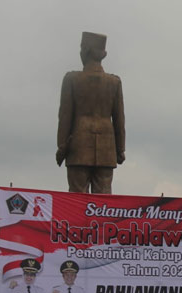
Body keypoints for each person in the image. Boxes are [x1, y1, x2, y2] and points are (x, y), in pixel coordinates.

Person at [56, 31, 125, 194]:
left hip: (77, 147)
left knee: (76, 198)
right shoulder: (114, 82)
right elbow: (119, 120)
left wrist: (61, 146)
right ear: (103, 54)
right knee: (103, 201)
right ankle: (100, 221)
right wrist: (120, 149)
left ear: (85, 51)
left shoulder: (72, 79)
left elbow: (64, 117)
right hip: (107, 150)